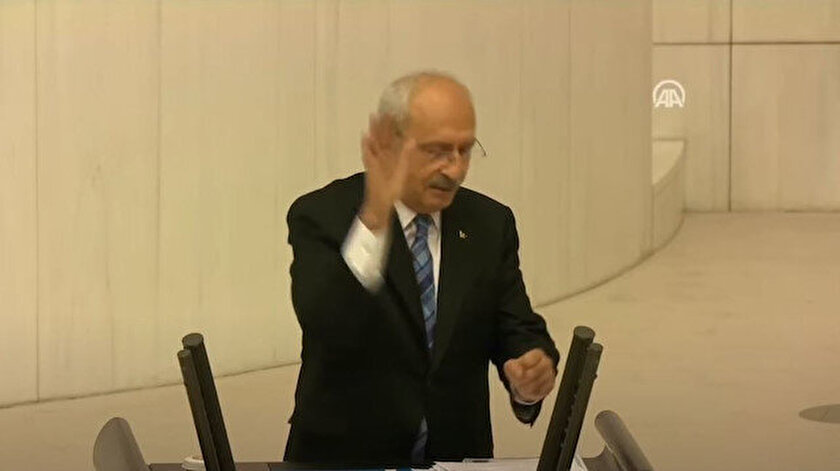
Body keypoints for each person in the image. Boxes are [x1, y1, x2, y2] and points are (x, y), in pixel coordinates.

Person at [284, 71, 559, 464]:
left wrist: (528, 372)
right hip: (343, 458)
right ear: (389, 143)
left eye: (465, 150)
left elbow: (515, 326)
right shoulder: (321, 215)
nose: (455, 170)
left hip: (452, 457)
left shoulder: (489, 224)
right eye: (438, 151)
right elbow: (327, 324)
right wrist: (374, 216)